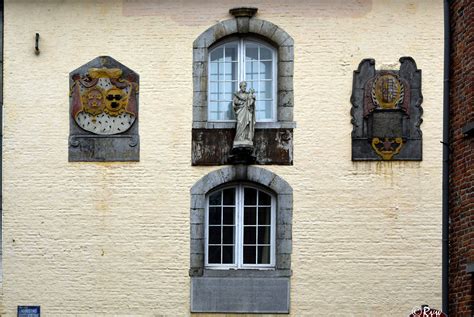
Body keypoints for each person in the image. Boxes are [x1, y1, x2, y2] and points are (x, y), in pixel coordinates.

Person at [232, 81, 256, 148]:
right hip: (240, 112)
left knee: (247, 124)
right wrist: (240, 102)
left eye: (245, 86)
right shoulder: (237, 95)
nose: (245, 87)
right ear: (240, 87)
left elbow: (250, 103)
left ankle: (245, 138)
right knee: (240, 123)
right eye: (244, 86)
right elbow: (235, 103)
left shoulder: (247, 95)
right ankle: (238, 138)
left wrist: (252, 99)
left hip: (246, 112)